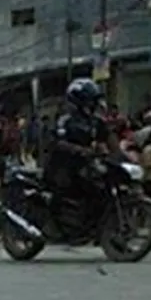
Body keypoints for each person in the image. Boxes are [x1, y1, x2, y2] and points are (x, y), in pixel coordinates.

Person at [46, 78, 109, 227]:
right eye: (90, 100)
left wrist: (105, 152)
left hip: (86, 167)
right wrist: (79, 150)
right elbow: (58, 142)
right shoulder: (65, 120)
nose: (93, 104)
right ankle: (55, 223)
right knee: (65, 189)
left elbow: (104, 142)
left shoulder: (96, 122)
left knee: (100, 188)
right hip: (62, 167)